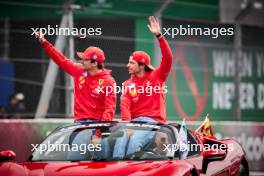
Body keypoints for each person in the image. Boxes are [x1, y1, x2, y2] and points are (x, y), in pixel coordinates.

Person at [35, 31, 116, 160]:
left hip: (98, 126)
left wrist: (99, 132)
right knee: (76, 162)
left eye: (85, 59)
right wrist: (45, 43)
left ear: (95, 63)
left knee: (101, 165)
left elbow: (109, 109)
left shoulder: (109, 81)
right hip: (79, 125)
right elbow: (61, 60)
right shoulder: (79, 70)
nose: (81, 61)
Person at [113, 16, 173, 158]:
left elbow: (168, 58)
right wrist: (128, 126)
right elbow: (125, 106)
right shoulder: (128, 84)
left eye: (132, 63)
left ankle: (128, 170)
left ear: (142, 65)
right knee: (120, 141)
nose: (127, 65)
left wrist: (159, 36)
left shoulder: (157, 76)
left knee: (134, 142)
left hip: (153, 122)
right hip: (134, 123)